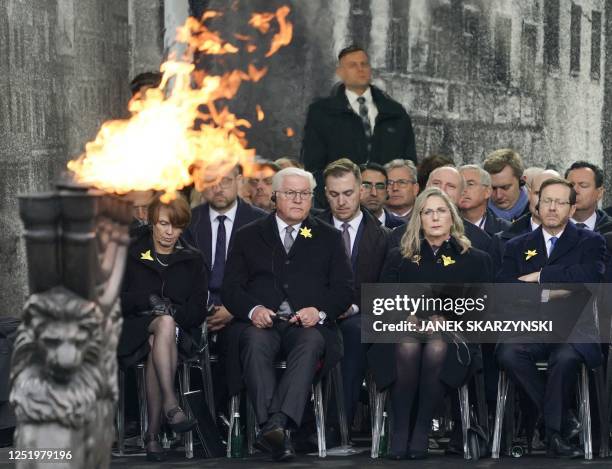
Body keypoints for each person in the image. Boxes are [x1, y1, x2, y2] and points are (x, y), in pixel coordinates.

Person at [221, 167, 354, 461]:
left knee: (310, 342)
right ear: (274, 196)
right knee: (254, 343)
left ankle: (274, 425)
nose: (298, 199)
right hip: (262, 323)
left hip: (305, 325)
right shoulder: (249, 236)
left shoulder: (328, 237)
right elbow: (230, 288)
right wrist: (253, 310)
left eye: (304, 194)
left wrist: (318, 312)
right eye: (291, 193)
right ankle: (277, 428)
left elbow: (345, 290)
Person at [374, 188, 492, 459]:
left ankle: (421, 429)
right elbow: (381, 303)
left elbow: (483, 309)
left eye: (441, 211)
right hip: (400, 334)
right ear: (419, 219)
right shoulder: (399, 257)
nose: (435, 217)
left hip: (456, 340)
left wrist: (448, 319)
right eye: (428, 212)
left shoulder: (475, 259)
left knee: (438, 345)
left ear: (452, 217)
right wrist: (406, 317)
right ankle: (401, 428)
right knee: (407, 343)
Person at [496, 177, 606, 458]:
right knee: (508, 353)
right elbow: (506, 290)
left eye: (560, 202)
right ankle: (559, 422)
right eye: (547, 201)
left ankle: (552, 429)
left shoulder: (591, 241)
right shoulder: (516, 245)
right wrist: (552, 293)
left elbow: (590, 278)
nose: (552, 208)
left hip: (575, 328)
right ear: (536, 204)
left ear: (571, 209)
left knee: (566, 357)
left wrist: (541, 277)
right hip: (529, 326)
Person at [118, 194, 208, 462]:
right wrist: (146, 300)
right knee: (158, 333)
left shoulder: (192, 259)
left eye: (177, 226)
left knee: (162, 331)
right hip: (132, 330)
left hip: (178, 335)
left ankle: (153, 434)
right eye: (164, 224)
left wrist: (172, 310)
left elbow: (197, 312)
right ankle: (170, 406)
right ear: (151, 221)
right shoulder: (130, 252)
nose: (170, 232)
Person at [183, 165, 267, 412]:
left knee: (238, 338)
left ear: (240, 181)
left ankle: (231, 417)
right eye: (210, 180)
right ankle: (194, 420)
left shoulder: (260, 222)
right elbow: (184, 275)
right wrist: (203, 309)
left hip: (242, 310)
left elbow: (263, 278)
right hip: (198, 309)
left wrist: (234, 308)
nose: (218, 188)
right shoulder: (189, 221)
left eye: (226, 180)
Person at [316, 158, 390, 435]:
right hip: (317, 312)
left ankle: (337, 424)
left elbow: (384, 285)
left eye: (348, 193)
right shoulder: (311, 228)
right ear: (325, 193)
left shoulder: (384, 236)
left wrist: (356, 305)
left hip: (363, 315)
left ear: (360, 190)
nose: (341, 201)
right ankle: (299, 424)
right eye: (334, 194)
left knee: (351, 333)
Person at [302, 45, 417, 206]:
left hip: (387, 204)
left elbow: (409, 161)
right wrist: (332, 200)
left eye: (364, 64)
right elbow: (313, 165)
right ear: (340, 72)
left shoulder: (395, 112)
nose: (360, 69)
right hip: (340, 204)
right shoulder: (321, 113)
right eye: (353, 65)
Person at [459, 164, 511, 236]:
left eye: (470, 184)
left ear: (488, 192)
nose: (463, 189)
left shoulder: (506, 230)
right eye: (460, 184)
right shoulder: (446, 226)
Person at [565, 161, 612, 234]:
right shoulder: (550, 227)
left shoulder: (609, 230)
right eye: (570, 185)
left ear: (599, 193)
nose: (575, 190)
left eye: (583, 185)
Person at [483, 149, 529, 222]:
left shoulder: (540, 214)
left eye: (505, 187)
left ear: (522, 181)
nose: (499, 196)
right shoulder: (475, 215)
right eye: (493, 188)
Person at [359, 162, 405, 229]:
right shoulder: (341, 226)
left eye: (380, 186)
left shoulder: (404, 228)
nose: (374, 193)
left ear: (387, 191)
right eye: (366, 186)